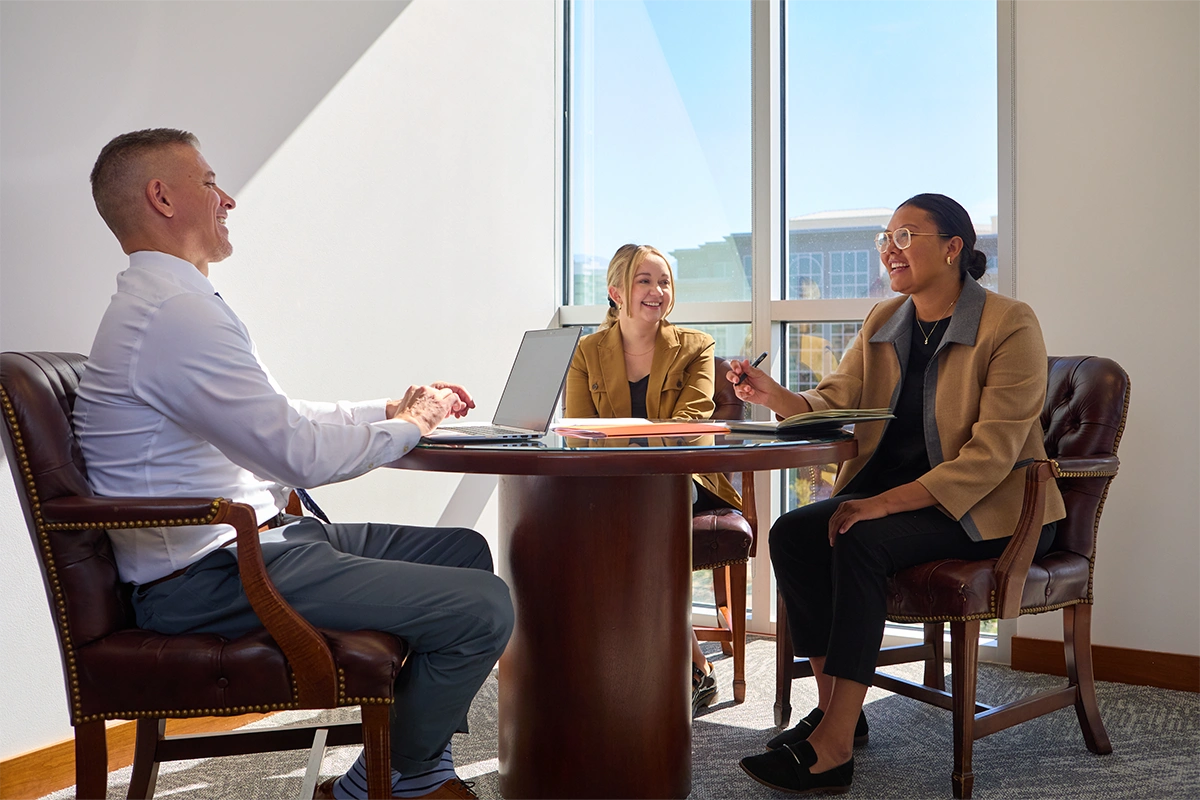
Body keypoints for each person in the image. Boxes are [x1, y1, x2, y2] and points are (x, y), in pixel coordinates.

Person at [74, 128, 512, 800]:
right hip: (210, 577)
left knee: (462, 553)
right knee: (484, 607)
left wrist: (386, 409)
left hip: (254, 549)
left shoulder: (171, 306)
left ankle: (396, 769)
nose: (228, 199)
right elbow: (297, 452)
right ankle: (399, 782)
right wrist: (411, 425)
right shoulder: (173, 314)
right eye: (210, 181)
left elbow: (283, 417)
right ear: (162, 197)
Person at [729, 194, 1065, 794]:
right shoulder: (885, 320)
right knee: (794, 532)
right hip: (905, 500)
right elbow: (834, 400)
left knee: (857, 535)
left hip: (994, 508)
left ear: (953, 247)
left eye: (906, 235)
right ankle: (842, 714)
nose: (890, 247)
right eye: (886, 236)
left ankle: (831, 751)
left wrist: (880, 503)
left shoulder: (1010, 322)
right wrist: (774, 395)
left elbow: (993, 454)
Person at [564, 243, 743, 716]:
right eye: (644, 280)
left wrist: (622, 443)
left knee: (634, 514)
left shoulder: (695, 346)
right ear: (616, 291)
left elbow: (689, 423)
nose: (657, 290)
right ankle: (685, 665)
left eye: (664, 281)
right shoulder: (587, 350)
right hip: (613, 483)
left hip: (684, 481)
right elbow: (579, 431)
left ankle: (669, 665)